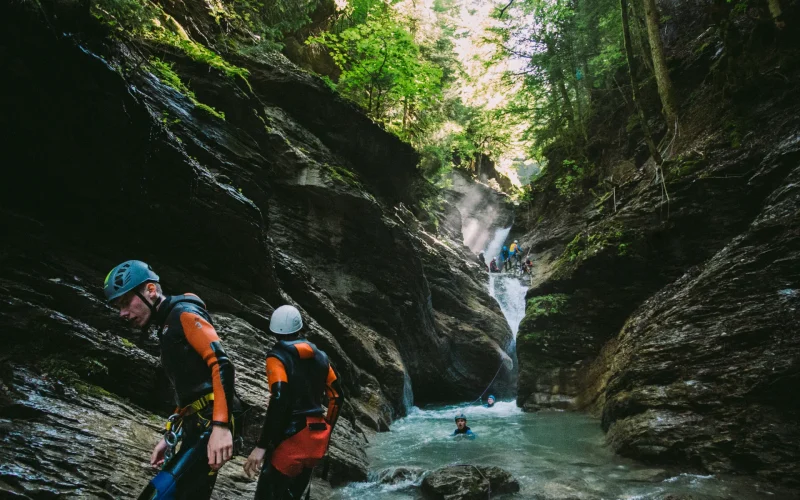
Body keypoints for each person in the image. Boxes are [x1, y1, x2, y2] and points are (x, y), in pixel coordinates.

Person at [104, 260, 236, 500]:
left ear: (151, 290)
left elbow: (222, 364)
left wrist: (221, 428)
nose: (122, 313)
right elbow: (191, 387)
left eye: (125, 303)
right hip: (196, 424)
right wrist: (170, 436)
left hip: (210, 424)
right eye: (118, 307)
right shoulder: (166, 325)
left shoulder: (183, 314)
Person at [244, 305, 344, 500]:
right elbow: (337, 397)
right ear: (300, 328)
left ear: (274, 331)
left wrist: (261, 446)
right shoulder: (321, 357)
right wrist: (328, 430)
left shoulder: (277, 357)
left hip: (290, 440)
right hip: (315, 439)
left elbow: (279, 397)